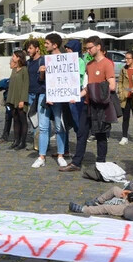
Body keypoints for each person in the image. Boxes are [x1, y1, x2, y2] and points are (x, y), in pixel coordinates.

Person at [59, 37, 116, 172]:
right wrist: (77, 96)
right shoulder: (89, 65)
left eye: (90, 48)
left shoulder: (107, 64)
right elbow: (86, 87)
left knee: (101, 135)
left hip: (101, 106)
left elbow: (112, 86)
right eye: (87, 48)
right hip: (87, 104)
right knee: (81, 133)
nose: (88, 50)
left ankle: (101, 164)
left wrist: (95, 89)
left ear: (98, 47)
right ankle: (76, 163)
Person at [68, 167, 133, 216]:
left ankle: (84, 209)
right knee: (115, 189)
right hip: (131, 200)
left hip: (131, 207)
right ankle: (97, 201)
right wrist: (129, 193)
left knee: (107, 208)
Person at [37, 32, 69, 168]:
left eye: (47, 43)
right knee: (43, 127)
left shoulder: (65, 59)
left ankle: (61, 154)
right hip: (45, 96)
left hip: (59, 98)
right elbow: (40, 81)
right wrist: (42, 72)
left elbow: (68, 80)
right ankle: (41, 156)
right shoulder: (43, 59)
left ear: (55, 45)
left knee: (59, 127)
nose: (45, 45)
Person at [5, 50, 29, 151]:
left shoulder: (24, 70)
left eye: (14, 56)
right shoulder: (14, 69)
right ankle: (16, 140)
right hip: (12, 98)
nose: (12, 57)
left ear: (19, 57)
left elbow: (25, 85)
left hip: (20, 99)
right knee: (15, 119)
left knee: (22, 120)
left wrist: (22, 100)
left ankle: (23, 142)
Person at [25, 39, 45, 153]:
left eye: (31, 48)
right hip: (30, 93)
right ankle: (36, 143)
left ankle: (40, 144)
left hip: (40, 93)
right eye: (28, 48)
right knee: (32, 118)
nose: (28, 50)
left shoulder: (42, 60)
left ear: (37, 48)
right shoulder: (28, 62)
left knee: (41, 119)